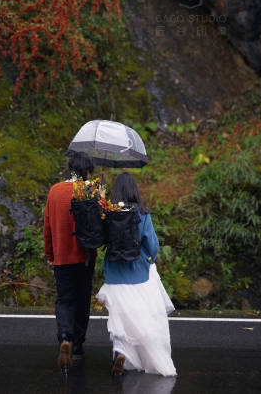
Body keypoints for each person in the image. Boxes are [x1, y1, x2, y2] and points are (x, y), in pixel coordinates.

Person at [96, 172, 177, 377]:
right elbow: (152, 245)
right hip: (138, 273)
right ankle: (141, 355)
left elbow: (101, 240)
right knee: (142, 317)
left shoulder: (108, 212)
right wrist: (148, 261)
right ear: (134, 189)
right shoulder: (142, 213)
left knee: (119, 317)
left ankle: (121, 354)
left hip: (114, 274)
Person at [43, 150, 97, 369]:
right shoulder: (91, 191)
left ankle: (65, 336)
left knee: (65, 300)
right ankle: (77, 348)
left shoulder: (54, 191)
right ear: (85, 171)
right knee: (83, 301)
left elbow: (47, 226)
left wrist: (50, 254)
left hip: (62, 258)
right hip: (85, 257)